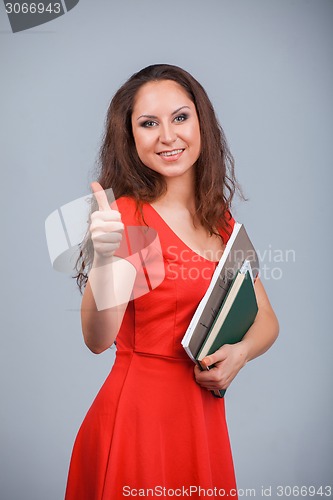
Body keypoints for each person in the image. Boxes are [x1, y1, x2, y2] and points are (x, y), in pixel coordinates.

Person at [65, 64, 279, 499]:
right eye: (148, 123)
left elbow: (267, 320)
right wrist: (105, 259)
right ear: (131, 138)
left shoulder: (218, 218)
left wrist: (239, 355)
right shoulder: (129, 218)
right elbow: (97, 338)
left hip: (201, 420)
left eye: (180, 117)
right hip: (140, 422)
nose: (168, 135)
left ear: (201, 123)